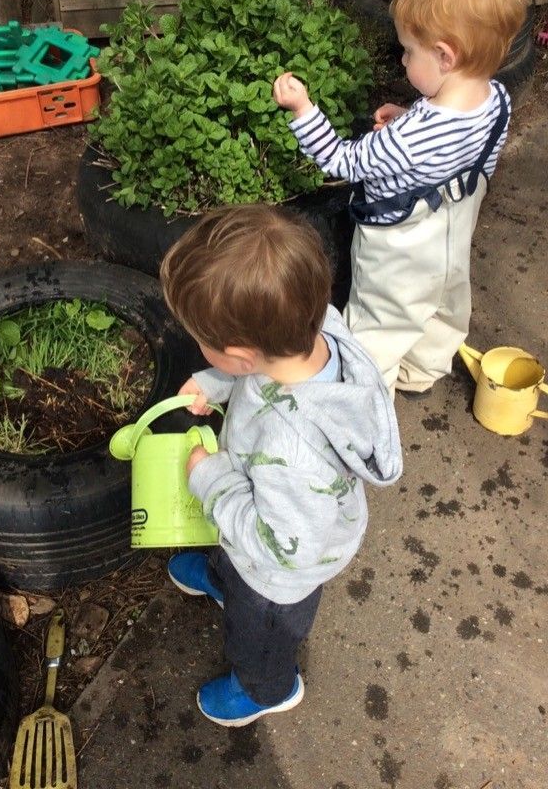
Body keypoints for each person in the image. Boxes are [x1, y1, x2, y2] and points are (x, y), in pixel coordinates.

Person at [159, 204, 402, 727]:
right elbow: (261, 374)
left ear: (243, 353)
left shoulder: (295, 452)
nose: (198, 348)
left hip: (279, 574)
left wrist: (211, 478)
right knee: (236, 557)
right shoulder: (314, 330)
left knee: (258, 636)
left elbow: (280, 546)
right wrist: (219, 380)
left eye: (205, 344)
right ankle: (226, 577)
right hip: (275, 512)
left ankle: (267, 688)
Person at [272, 0, 530, 395]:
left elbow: (342, 160)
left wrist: (302, 108)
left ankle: (366, 402)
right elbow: (459, 149)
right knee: (442, 308)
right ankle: (423, 372)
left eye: (409, 52)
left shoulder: (410, 140)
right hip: (452, 237)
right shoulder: (496, 100)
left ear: (446, 57)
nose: (403, 60)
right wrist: (411, 114)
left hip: (401, 252)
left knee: (380, 326)